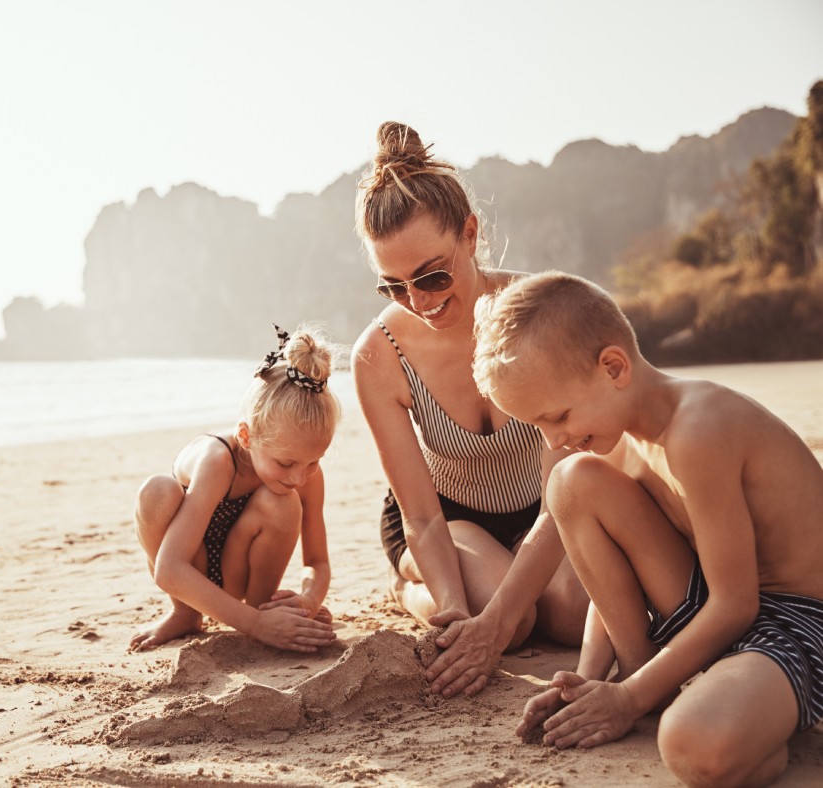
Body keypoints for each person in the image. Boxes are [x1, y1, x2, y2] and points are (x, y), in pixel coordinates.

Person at [472, 270, 823, 787]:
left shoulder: (699, 429)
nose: (555, 439)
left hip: (796, 625)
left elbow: (737, 603)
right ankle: (661, 687)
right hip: (718, 614)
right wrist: (590, 681)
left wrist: (629, 695)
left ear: (613, 367)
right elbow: (606, 584)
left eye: (559, 416)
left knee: (692, 745)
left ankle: (708, 713)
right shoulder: (622, 443)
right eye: (540, 428)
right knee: (571, 482)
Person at [351, 121, 589, 700]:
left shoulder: (541, 312)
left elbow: (564, 499)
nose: (421, 301)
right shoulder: (379, 357)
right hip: (444, 517)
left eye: (432, 275)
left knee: (570, 616)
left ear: (470, 234)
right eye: (396, 287)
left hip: (543, 505)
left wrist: (498, 619)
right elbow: (423, 517)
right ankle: (407, 582)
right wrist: (456, 612)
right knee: (512, 622)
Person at [130, 324, 340, 654]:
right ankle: (186, 614)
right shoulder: (217, 460)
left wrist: (308, 601)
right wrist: (256, 627)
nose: (301, 477)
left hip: (243, 572)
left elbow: (317, 561)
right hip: (190, 569)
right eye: (285, 464)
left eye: (313, 461)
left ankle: (264, 609)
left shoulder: (305, 473)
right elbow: (170, 569)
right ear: (246, 436)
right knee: (157, 490)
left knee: (284, 502)